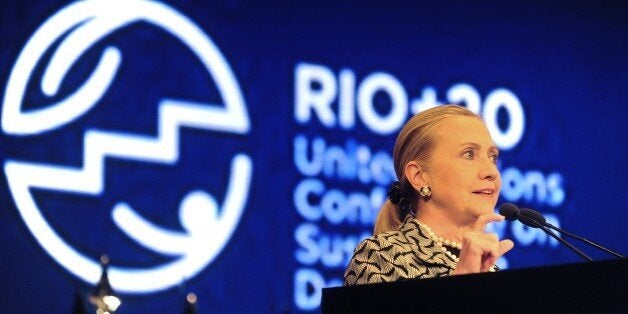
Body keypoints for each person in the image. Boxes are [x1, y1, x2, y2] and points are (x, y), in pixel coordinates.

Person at [343, 104, 514, 285]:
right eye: (469, 154)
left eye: (493, 157)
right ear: (419, 177)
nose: (492, 172)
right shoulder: (380, 256)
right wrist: (462, 284)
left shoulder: (491, 269)